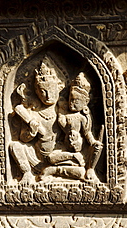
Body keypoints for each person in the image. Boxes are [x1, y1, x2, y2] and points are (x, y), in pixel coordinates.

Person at [9, 56, 64, 184]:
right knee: (15, 146)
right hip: (35, 157)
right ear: (36, 91)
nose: (47, 96)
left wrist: (75, 140)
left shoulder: (63, 114)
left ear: (59, 87)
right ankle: (27, 173)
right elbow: (23, 139)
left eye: (50, 90)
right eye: (42, 92)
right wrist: (31, 132)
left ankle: (55, 171)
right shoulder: (32, 113)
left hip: (57, 156)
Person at [42, 72, 103, 182]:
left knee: (81, 172)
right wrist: (61, 113)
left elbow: (87, 133)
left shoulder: (83, 118)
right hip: (64, 149)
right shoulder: (65, 114)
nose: (72, 103)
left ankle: (88, 169)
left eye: (76, 101)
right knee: (51, 158)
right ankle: (57, 167)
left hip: (78, 152)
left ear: (85, 102)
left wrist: (93, 142)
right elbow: (62, 127)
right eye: (71, 99)